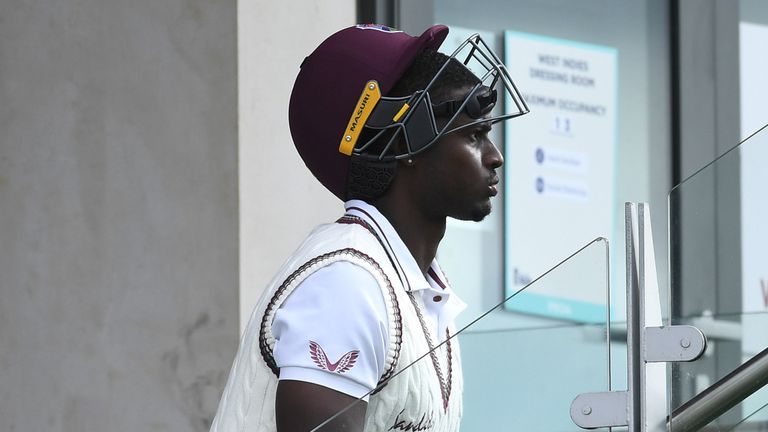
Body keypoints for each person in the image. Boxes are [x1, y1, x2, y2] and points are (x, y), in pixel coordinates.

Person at [210, 24, 529, 432]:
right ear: (401, 145)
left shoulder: (421, 293)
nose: (495, 156)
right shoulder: (348, 282)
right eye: (473, 135)